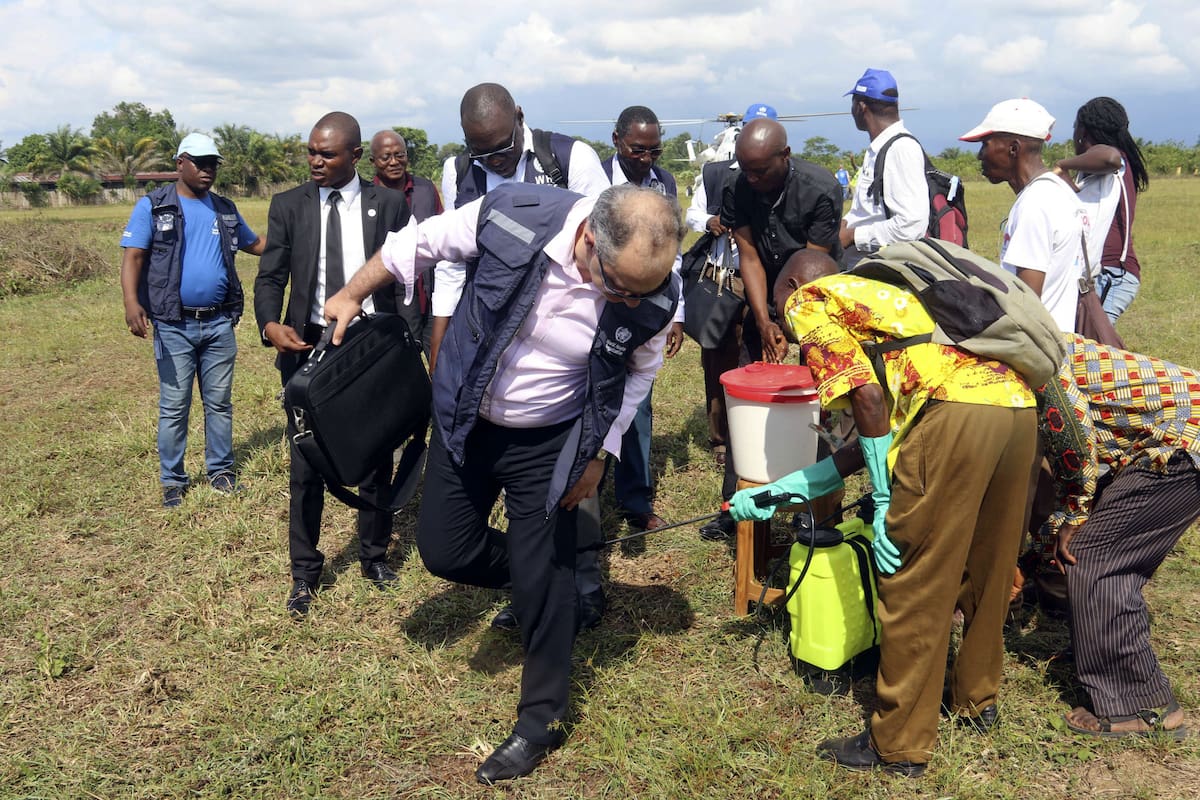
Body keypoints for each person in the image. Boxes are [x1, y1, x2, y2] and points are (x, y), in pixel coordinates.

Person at [324, 182, 684, 784]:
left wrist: (600, 451)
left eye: (640, 291)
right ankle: (545, 575)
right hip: (467, 418)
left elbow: (639, 375)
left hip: (549, 440)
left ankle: (538, 720)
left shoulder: (653, 295)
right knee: (444, 550)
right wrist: (348, 293)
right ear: (590, 238)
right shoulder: (512, 214)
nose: (626, 300)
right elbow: (418, 244)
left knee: (546, 577)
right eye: (617, 285)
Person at [729, 249, 1037, 776]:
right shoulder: (890, 308)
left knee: (915, 579)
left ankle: (898, 744)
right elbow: (867, 436)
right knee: (986, 561)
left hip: (955, 417)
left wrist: (884, 500)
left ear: (792, 284)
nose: (789, 329)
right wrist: (779, 492)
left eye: (780, 312)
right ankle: (975, 699)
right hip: (1014, 407)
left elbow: (869, 402)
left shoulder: (810, 300)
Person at [253, 112, 411, 617]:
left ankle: (373, 555)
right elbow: (270, 275)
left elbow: (407, 275)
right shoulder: (288, 206)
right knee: (307, 462)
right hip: (307, 347)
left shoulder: (387, 204)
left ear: (356, 156)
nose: (315, 162)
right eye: (311, 153)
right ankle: (304, 573)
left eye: (327, 154)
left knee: (376, 453)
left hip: (369, 347)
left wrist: (406, 338)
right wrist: (269, 325)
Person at [1033, 334, 1200, 738]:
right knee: (1100, 549)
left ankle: (1140, 706)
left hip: (1182, 442)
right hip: (1175, 436)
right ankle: (1104, 653)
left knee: (1093, 556)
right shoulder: (1043, 340)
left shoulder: (1038, 362)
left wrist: (1073, 513)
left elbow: (1074, 438)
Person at [705, 118, 842, 540]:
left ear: (785, 156)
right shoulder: (737, 186)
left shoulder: (821, 189)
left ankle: (815, 510)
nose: (752, 178)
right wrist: (764, 321)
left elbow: (810, 267)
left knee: (821, 404)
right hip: (762, 295)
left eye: (761, 171)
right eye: (745, 169)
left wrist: (787, 322)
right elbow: (747, 253)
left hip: (815, 299)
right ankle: (736, 504)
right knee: (747, 401)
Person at [119, 132, 264, 508]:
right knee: (174, 404)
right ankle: (173, 480)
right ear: (179, 163)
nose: (207, 169)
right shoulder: (153, 206)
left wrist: (299, 239)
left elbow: (255, 244)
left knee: (219, 403)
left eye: (213, 163)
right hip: (172, 324)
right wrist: (132, 303)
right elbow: (133, 257)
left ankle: (220, 472)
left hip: (218, 325)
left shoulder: (224, 208)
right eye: (200, 162)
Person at [429, 82, 610, 368]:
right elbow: (452, 261)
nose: (496, 161)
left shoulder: (570, 159)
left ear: (520, 117)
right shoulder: (458, 172)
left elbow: (604, 250)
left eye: (504, 147)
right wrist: (440, 334)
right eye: (482, 154)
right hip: (484, 323)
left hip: (561, 328)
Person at [601, 104, 684, 533]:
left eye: (654, 151)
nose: (646, 160)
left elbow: (674, 253)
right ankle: (586, 499)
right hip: (599, 305)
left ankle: (635, 500)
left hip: (646, 307)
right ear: (616, 141)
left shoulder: (664, 183)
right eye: (637, 150)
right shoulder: (595, 181)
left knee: (638, 402)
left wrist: (677, 314)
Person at [960, 98, 1087, 332]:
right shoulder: (1058, 191)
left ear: (1013, 148)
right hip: (1057, 338)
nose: (980, 155)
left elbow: (1027, 303)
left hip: (1036, 349)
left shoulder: (1035, 204)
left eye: (985, 144)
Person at [1052, 97, 1149, 323]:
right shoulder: (1094, 174)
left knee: (1095, 346)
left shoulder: (1116, 161)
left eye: (1075, 127)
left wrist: (1063, 164)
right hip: (1100, 272)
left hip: (1112, 273)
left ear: (1083, 131)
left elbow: (1110, 156)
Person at [838, 68, 929, 267]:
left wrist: (854, 235)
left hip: (887, 274)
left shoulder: (901, 149)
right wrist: (845, 223)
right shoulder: (879, 149)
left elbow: (911, 226)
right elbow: (869, 211)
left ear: (861, 107)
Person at [369, 129, 444, 356]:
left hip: (431, 295)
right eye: (386, 157)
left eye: (399, 155)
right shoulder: (367, 197)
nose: (394, 162)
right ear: (373, 161)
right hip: (388, 300)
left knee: (439, 362)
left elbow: (443, 234)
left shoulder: (425, 190)